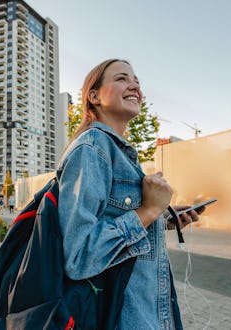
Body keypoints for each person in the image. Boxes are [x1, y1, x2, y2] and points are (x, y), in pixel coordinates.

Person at [57, 59, 204, 329]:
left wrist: (163, 218)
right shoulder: (91, 150)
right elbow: (79, 256)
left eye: (137, 81)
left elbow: (113, 222)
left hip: (146, 312)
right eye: (122, 78)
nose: (134, 85)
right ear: (94, 96)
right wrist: (147, 210)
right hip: (123, 318)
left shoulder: (119, 153)